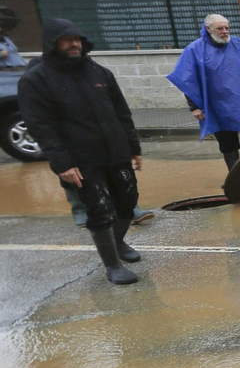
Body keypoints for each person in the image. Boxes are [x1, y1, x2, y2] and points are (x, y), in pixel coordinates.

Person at [17, 18, 144, 284]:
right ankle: (112, 266)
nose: (74, 44)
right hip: (80, 159)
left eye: (77, 40)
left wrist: (133, 146)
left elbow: (121, 112)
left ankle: (118, 243)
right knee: (99, 209)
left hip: (116, 151)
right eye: (66, 40)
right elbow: (41, 126)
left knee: (127, 203)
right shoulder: (36, 79)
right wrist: (62, 163)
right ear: (52, 44)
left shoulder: (98, 72)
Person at [167, 13, 240, 181]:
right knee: (228, 143)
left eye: (227, 28)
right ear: (208, 29)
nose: (225, 31)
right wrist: (195, 106)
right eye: (220, 28)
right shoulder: (195, 50)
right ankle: (237, 180)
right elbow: (188, 79)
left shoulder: (239, 45)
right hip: (216, 104)